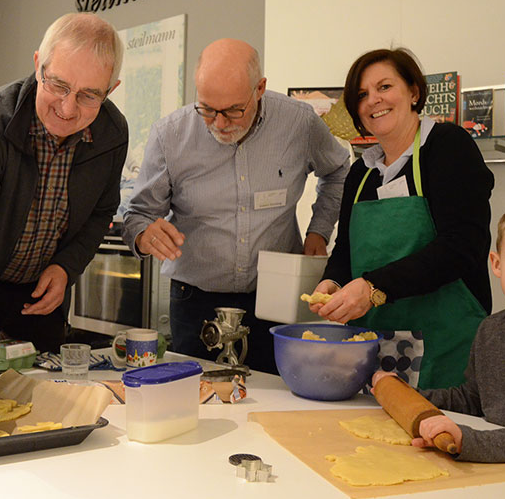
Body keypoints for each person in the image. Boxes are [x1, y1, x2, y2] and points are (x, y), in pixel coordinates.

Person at [0, 12, 127, 440]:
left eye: (90, 95)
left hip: (37, 298)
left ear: (111, 91)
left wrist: (66, 266)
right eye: (57, 85)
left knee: (41, 418)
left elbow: (100, 213)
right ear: (38, 64)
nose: (68, 108)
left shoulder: (113, 132)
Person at [122, 38, 350, 374]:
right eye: (207, 110)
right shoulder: (170, 135)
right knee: (196, 401)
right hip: (195, 299)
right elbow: (138, 215)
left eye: (233, 110)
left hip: (275, 298)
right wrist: (143, 235)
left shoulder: (299, 123)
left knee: (276, 400)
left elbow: (339, 172)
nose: (219, 123)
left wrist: (319, 229)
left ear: (260, 88)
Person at [311, 48, 494, 389]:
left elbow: (462, 247)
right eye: (362, 95)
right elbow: (346, 250)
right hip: (373, 344)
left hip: (446, 343)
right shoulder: (360, 173)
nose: (373, 101)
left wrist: (373, 287)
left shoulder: (448, 147)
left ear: (413, 91)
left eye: (384, 87)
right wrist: (332, 284)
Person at [375, 202, 505, 462]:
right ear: (497, 264)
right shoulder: (490, 329)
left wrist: (469, 440)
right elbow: (474, 399)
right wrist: (404, 394)